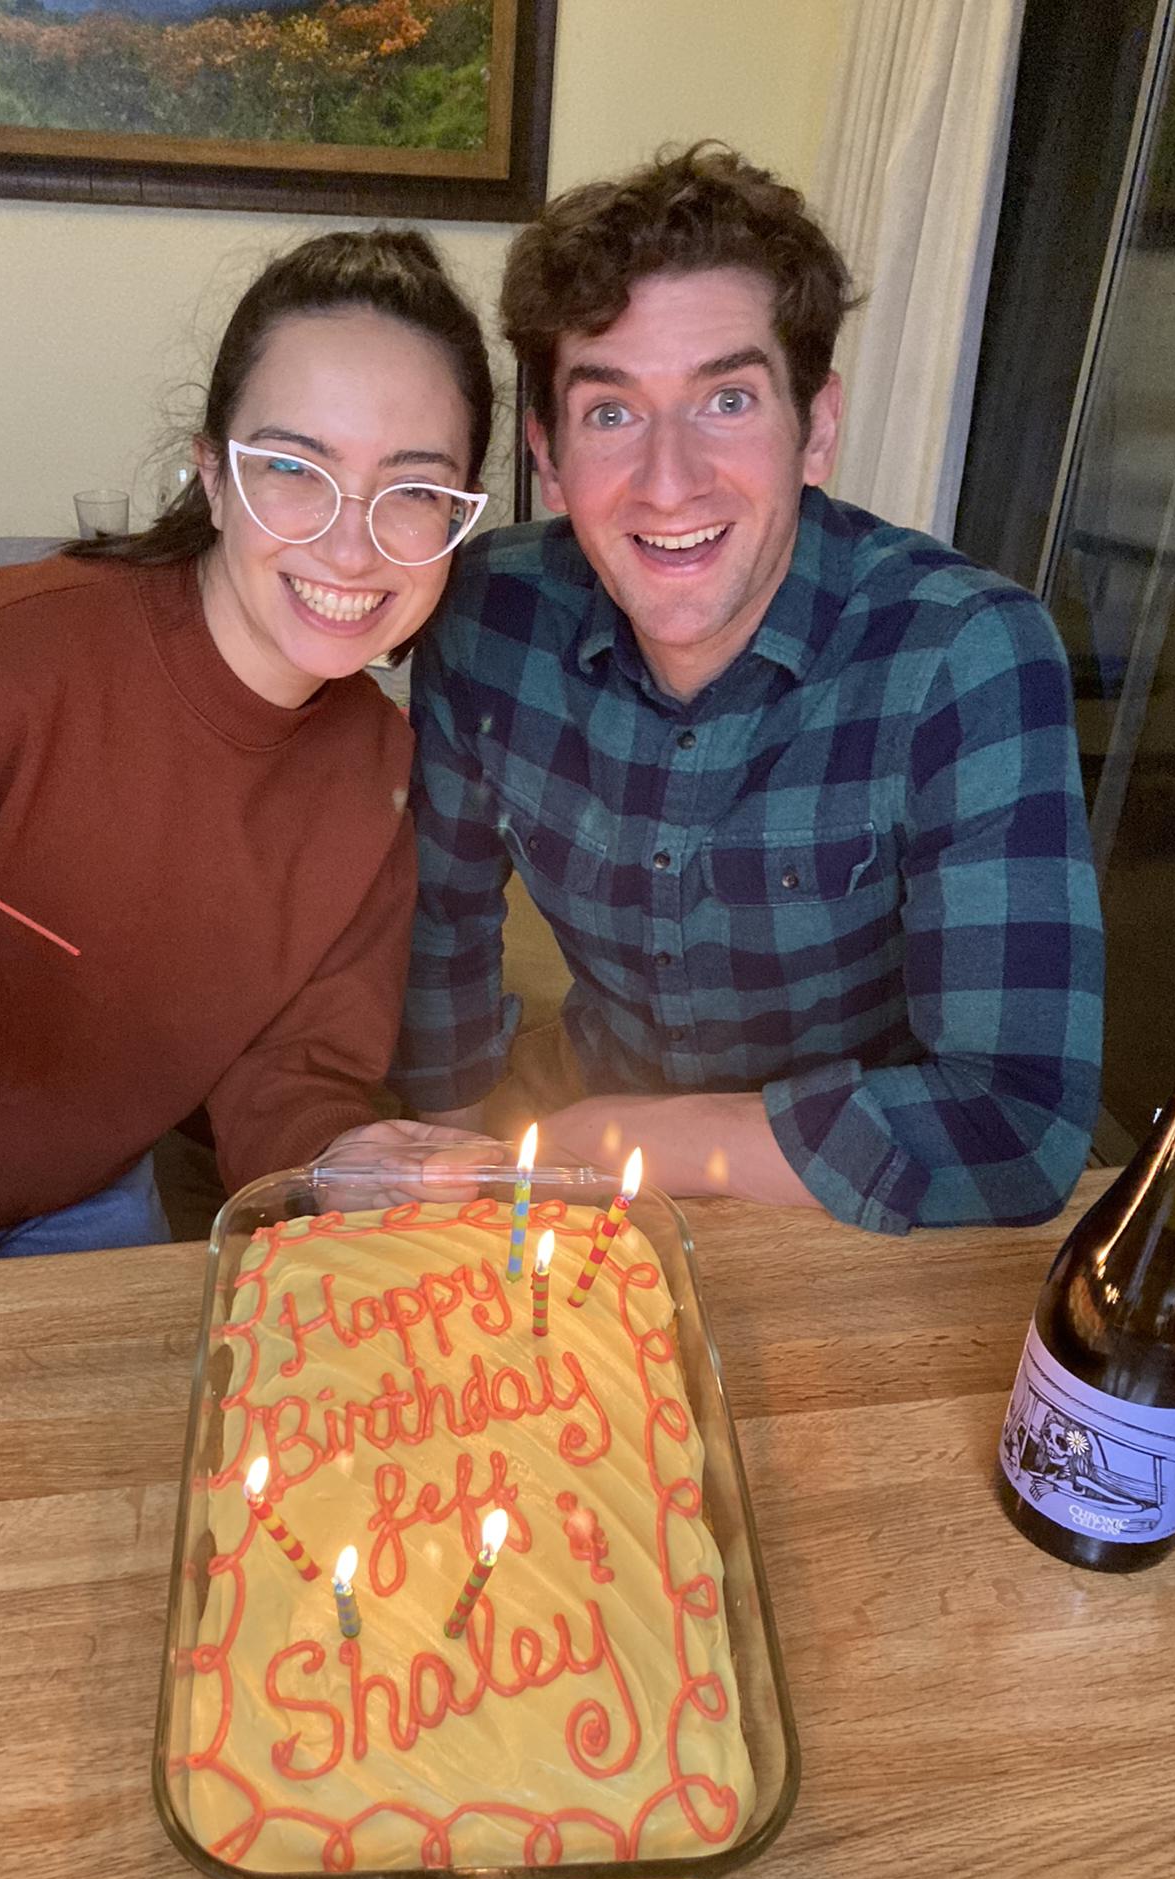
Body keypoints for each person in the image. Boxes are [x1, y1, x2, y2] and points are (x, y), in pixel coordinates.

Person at [385, 145, 1104, 1234]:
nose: (668, 480)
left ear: (815, 427)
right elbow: (441, 943)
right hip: (583, 1151)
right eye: (611, 413)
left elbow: (1018, 1121)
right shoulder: (485, 617)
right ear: (547, 451)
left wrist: (616, 1142)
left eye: (726, 398)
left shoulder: (967, 655)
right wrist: (459, 1186)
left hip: (851, 1204)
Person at [0, 228, 493, 1278]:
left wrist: (337, 1160)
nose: (350, 544)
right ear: (213, 474)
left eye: (413, 489)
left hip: (79, 1202)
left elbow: (292, 1070)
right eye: (293, 467)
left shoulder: (374, 762)